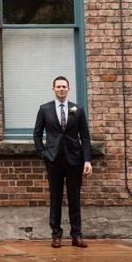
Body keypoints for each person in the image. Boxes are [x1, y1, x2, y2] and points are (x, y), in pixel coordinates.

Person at [33, 75, 93, 249]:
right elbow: (37, 135)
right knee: (55, 199)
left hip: (75, 160)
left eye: (64, 87)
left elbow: (85, 137)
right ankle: (56, 235)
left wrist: (87, 160)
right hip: (53, 160)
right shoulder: (45, 109)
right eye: (58, 86)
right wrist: (43, 153)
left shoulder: (78, 109)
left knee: (74, 199)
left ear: (68, 89)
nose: (61, 89)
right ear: (53, 89)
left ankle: (77, 235)